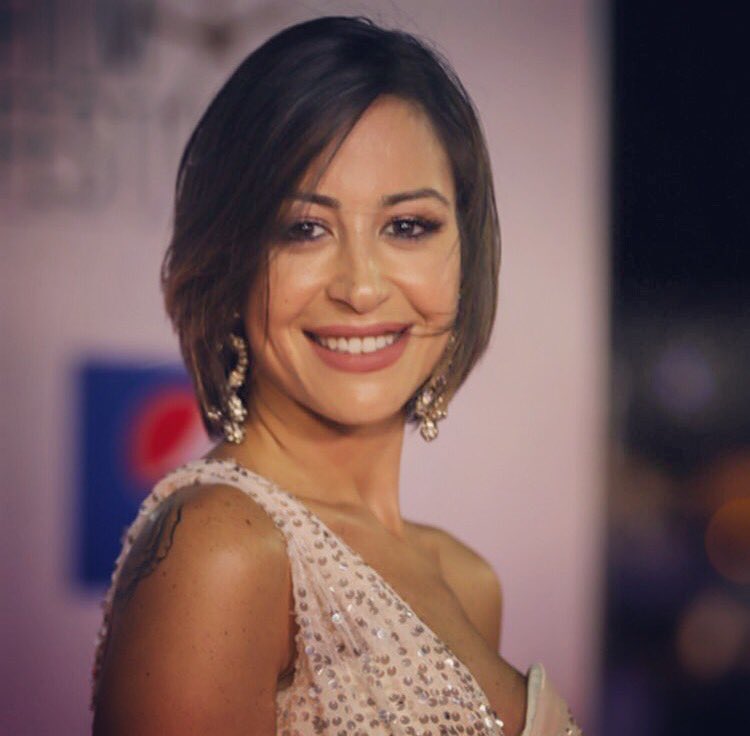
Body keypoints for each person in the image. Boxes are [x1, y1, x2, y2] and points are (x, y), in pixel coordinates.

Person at [90, 16, 581, 736]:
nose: (361, 287)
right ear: (229, 262)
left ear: (464, 253)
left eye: (407, 226)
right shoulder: (221, 548)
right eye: (304, 229)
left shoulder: (469, 581)